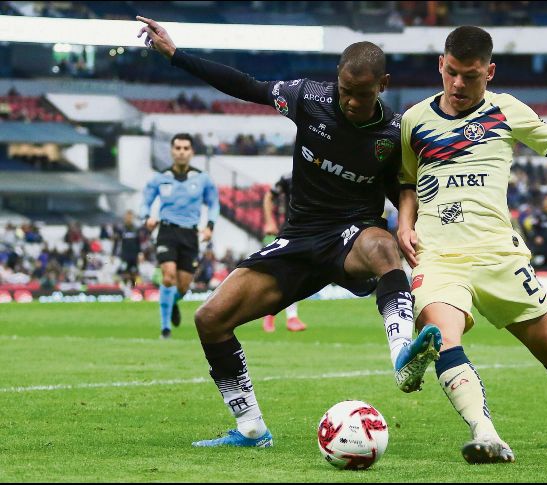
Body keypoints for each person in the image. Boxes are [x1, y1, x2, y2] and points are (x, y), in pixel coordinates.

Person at [136, 16, 442, 448]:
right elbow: (246, 86)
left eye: (363, 93)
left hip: (352, 235)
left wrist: (409, 224)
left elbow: (402, 188)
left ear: (383, 85)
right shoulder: (307, 98)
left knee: (381, 244)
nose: (351, 102)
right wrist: (176, 55)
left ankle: (402, 356)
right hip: (298, 240)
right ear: (336, 80)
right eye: (345, 90)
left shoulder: (394, 133)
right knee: (210, 319)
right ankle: (251, 429)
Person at [397, 26, 547, 464]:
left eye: (470, 76)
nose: (457, 84)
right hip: (438, 256)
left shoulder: (507, 110)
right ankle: (485, 432)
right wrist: (403, 222)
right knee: (442, 338)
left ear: (489, 72)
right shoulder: (414, 120)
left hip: (499, 254)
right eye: (451, 72)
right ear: (440, 65)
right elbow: (407, 181)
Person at [139, 132, 220, 339]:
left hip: (190, 234)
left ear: (191, 152)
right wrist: (147, 217)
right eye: (178, 148)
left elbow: (213, 204)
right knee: (168, 277)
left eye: (185, 148)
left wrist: (209, 226)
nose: (181, 152)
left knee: (183, 286)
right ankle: (165, 329)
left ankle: (172, 302)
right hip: (167, 231)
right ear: (172, 151)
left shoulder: (202, 179)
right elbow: (145, 202)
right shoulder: (160, 178)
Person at [261, 173, 308, 332]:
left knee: (297, 277)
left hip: (312, 232)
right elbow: (269, 196)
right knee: (285, 275)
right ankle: (280, 315)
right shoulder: (289, 177)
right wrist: (269, 221)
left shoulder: (320, 173)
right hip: (290, 231)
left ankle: (281, 315)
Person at [114, 210, 144, 288]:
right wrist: (113, 254)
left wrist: (140, 253)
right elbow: (116, 242)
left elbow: (138, 243)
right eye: (127, 217)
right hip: (125, 255)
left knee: (134, 273)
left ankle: (134, 288)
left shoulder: (136, 229)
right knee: (125, 273)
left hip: (134, 255)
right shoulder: (121, 229)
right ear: (125, 217)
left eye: (130, 217)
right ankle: (125, 288)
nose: (128, 218)